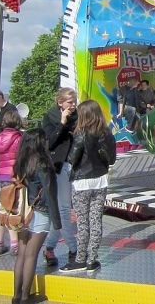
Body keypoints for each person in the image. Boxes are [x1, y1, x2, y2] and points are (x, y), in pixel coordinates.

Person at [61, 100, 116, 273]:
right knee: (95, 220)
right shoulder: (107, 133)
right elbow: (112, 159)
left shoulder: (81, 133)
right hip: (100, 180)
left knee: (82, 222)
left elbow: (72, 158)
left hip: (81, 181)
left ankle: (80, 259)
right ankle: (92, 260)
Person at [11, 129, 61, 304]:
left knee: (22, 255)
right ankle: (26, 297)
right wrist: (57, 220)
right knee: (32, 255)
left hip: (23, 212)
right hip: (40, 212)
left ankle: (16, 296)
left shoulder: (21, 163)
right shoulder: (43, 164)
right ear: (40, 143)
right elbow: (49, 193)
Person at [40, 87, 79, 268]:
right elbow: (50, 142)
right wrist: (62, 124)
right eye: (70, 102)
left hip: (70, 165)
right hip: (57, 166)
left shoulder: (77, 117)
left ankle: (49, 247)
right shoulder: (51, 118)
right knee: (63, 209)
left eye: (74, 102)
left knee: (61, 211)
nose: (73, 106)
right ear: (60, 103)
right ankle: (73, 249)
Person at [0, 109, 23, 256]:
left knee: (1, 211)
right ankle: (15, 244)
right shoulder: (19, 138)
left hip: (0, 177)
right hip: (13, 178)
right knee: (12, 210)